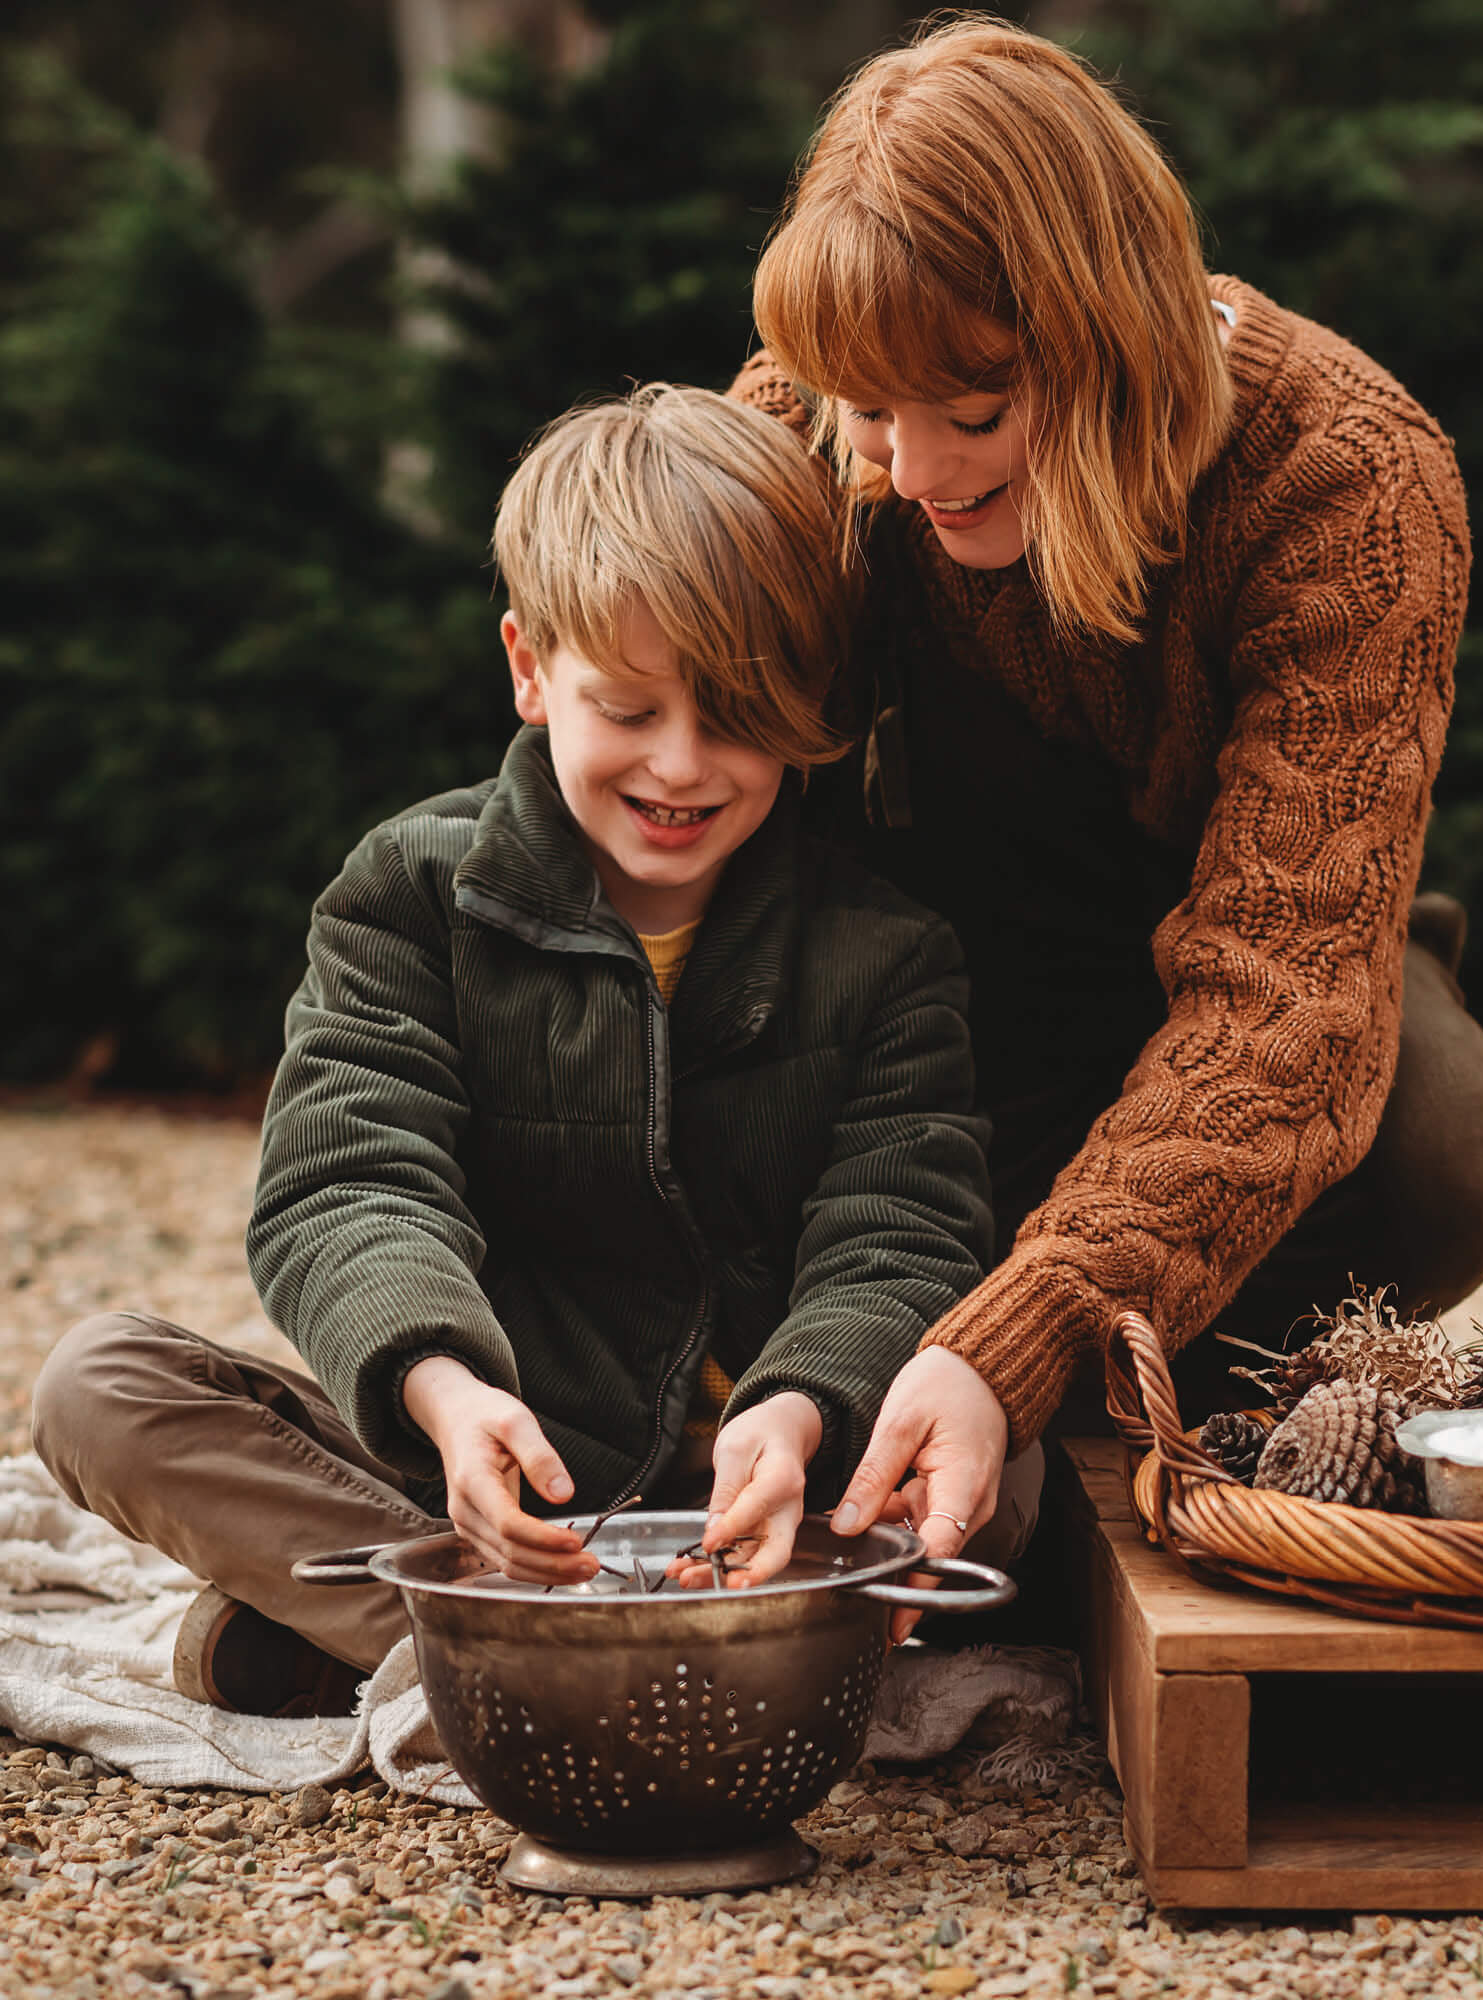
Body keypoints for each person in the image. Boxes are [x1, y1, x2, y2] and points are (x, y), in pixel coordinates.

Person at [32, 384, 1019, 1716]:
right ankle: (558, 1647)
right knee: (101, 1386)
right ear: (529, 667)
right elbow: (348, 1181)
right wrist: (444, 1397)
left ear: (810, 699)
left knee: (1005, 1482)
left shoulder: (888, 949)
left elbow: (900, 1231)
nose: (681, 765)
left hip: (766, 1505)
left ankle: (415, 1645)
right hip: (480, 1479)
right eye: (628, 709)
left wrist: (796, 1414)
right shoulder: (407, 893)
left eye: (735, 717)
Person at [730, 18, 1483, 1577]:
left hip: (1252, 932)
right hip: (933, 961)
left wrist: (1021, 1336)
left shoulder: (1348, 477)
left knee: (1448, 1157)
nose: (907, 471)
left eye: (973, 417)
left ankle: (1094, 1408)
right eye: (866, 412)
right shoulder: (815, 413)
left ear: (1114, 341)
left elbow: (1288, 999)